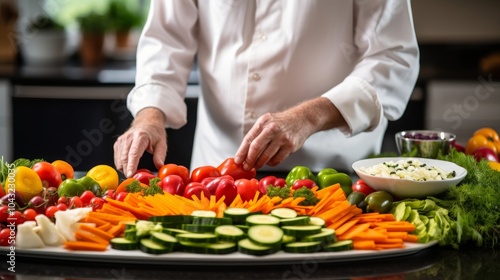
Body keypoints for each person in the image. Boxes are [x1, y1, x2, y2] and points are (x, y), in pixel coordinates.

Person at [114, 0, 420, 178]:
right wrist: (149, 117)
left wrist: (308, 117)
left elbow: (393, 57)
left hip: (329, 176)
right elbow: (166, 40)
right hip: (215, 175)